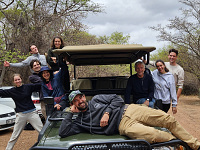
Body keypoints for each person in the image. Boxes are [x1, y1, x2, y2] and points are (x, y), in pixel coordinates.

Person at [59, 90, 200, 150]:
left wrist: (107, 113)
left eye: (80, 98)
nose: (80, 101)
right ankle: (181, 144)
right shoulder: (80, 122)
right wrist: (71, 113)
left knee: (167, 119)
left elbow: (117, 99)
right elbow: (63, 132)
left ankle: (195, 145)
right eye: (75, 101)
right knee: (153, 135)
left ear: (84, 96)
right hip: (123, 124)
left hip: (130, 109)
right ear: (73, 104)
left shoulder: (96, 99)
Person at [0, 74, 43, 150]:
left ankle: (47, 146)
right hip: (21, 115)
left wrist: (37, 77)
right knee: (14, 135)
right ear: (13, 82)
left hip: (32, 113)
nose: (17, 81)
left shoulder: (28, 87)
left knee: (42, 132)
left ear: (21, 79)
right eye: (16, 80)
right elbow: (1, 92)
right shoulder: (12, 91)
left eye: (18, 79)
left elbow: (40, 84)